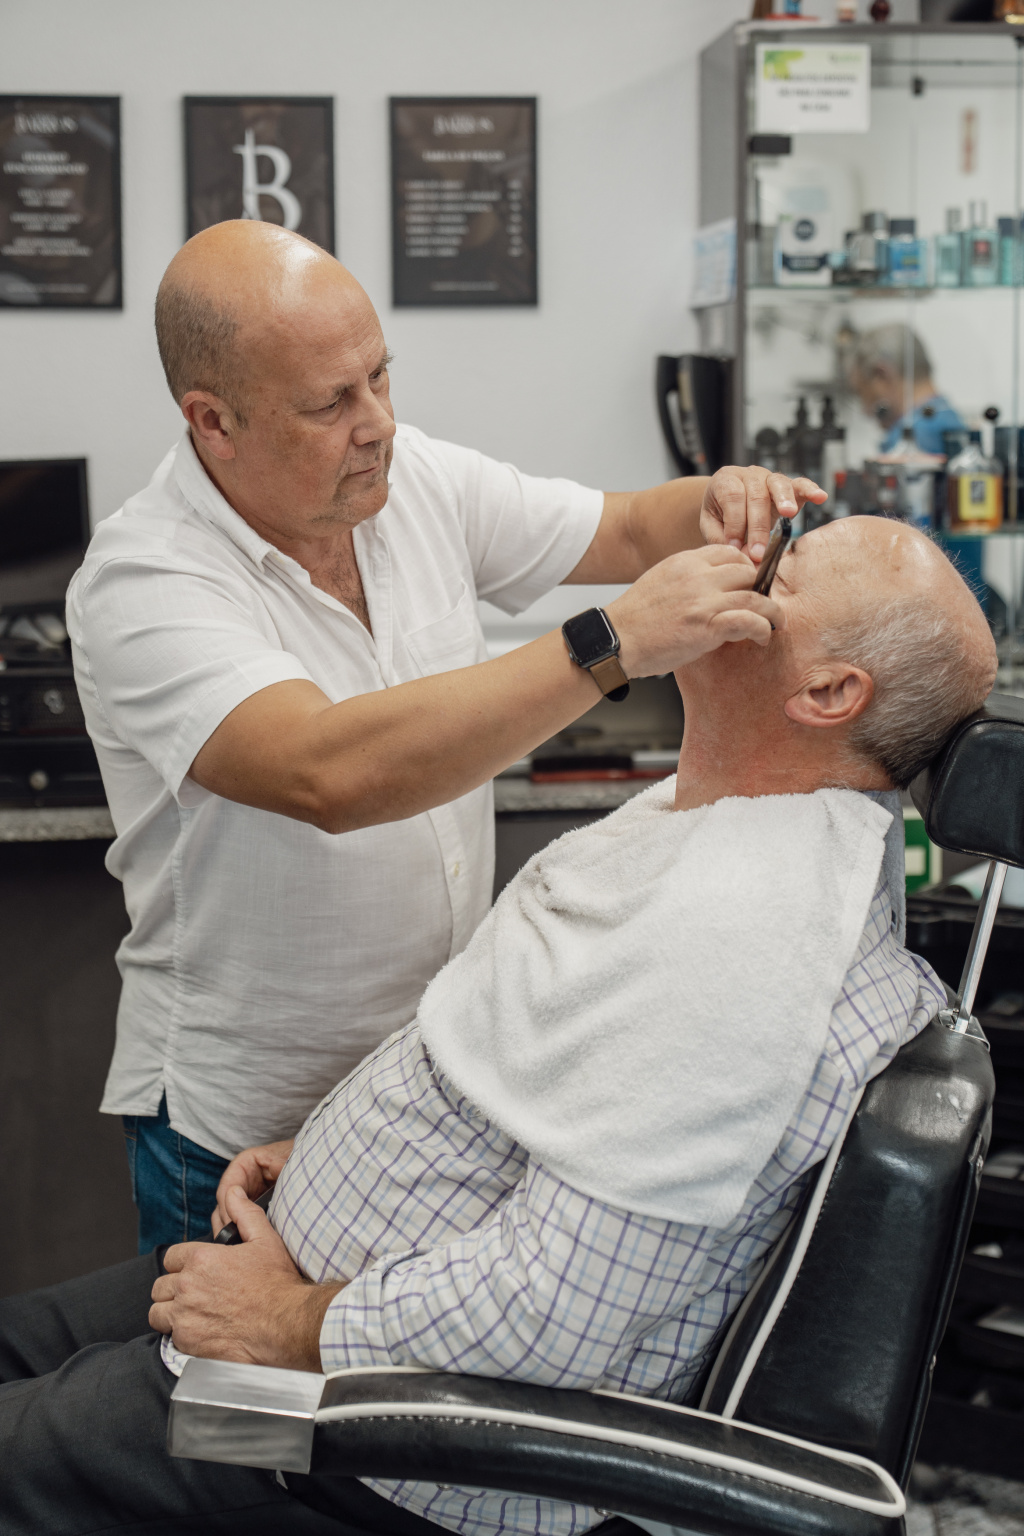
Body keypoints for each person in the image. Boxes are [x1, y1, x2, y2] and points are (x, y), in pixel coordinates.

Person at [0, 515, 997, 1536]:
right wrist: (344, 1147)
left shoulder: (745, 947)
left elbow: (554, 1314)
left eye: (774, 572)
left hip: (345, 1438)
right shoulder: (716, 830)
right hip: (306, 1279)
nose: (725, 571)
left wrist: (283, 1321)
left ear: (827, 695)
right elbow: (548, 1064)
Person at [67, 220, 826, 1250]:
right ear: (213, 421)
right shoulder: (145, 577)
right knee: (245, 1359)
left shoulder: (410, 480)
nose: (377, 422)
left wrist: (723, 499)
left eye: (380, 376)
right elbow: (327, 771)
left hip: (429, 1096)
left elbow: (629, 528)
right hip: (242, 1120)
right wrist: (612, 643)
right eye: (330, 403)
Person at [848, 322, 964, 455]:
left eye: (862, 392)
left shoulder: (908, 440)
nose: (865, 411)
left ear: (881, 375)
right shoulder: (949, 418)